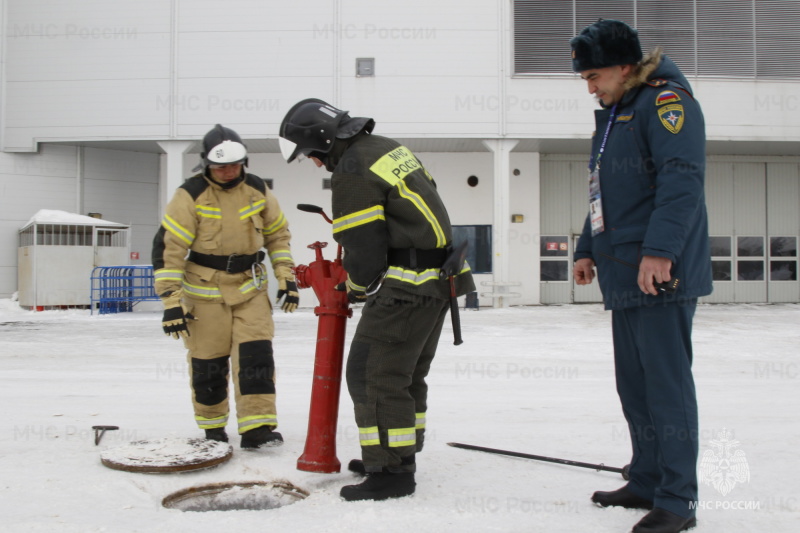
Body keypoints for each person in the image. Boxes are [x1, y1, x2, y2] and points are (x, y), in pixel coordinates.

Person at [279, 99, 475, 501]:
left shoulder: (351, 168)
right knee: (404, 374)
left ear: (322, 140)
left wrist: (352, 286)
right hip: (440, 278)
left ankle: (391, 473)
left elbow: (362, 246)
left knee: (372, 374)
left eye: (312, 155)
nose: (316, 164)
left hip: (407, 286)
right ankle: (396, 452)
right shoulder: (387, 147)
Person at [570, 20, 712, 533]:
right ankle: (648, 479)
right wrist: (587, 248)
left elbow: (682, 182)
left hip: (658, 273)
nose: (590, 86)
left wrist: (660, 252)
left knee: (667, 389)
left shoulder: (666, 103)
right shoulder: (616, 115)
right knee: (634, 386)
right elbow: (601, 192)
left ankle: (677, 500)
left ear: (625, 67)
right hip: (622, 271)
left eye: (594, 75)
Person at [152, 124, 298, 449]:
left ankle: (257, 428)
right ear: (207, 164)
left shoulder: (257, 189)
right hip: (204, 294)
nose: (229, 171)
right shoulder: (189, 194)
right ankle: (213, 429)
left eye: (234, 164)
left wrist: (287, 278)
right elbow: (169, 249)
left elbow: (278, 235)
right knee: (208, 364)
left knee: (255, 358)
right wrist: (171, 303)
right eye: (221, 166)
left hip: (250, 289)